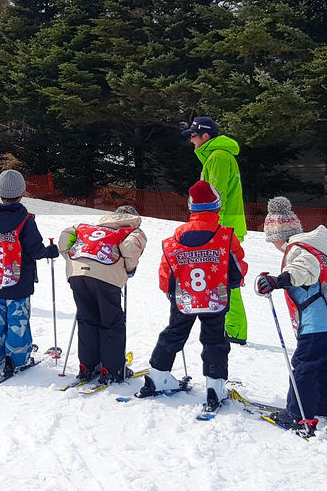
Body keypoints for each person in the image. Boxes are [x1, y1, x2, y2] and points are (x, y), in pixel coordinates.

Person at [256, 196, 327, 434]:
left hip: (320, 322)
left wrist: (278, 280)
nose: (273, 244)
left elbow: (304, 269)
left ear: (279, 236)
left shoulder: (298, 248)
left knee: (304, 366)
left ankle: (298, 415)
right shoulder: (321, 247)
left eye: (272, 239)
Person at [140, 181, 247, 411]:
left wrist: (169, 291)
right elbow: (237, 267)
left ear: (191, 208)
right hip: (215, 296)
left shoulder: (175, 237)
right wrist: (233, 284)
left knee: (173, 333)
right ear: (217, 207)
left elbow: (166, 269)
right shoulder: (225, 235)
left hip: (184, 296)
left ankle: (158, 376)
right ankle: (214, 385)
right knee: (214, 339)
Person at [0, 169, 59, 377]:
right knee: (17, 318)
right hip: (19, 280)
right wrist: (51, 251)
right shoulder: (25, 220)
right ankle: (17, 358)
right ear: (21, 193)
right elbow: (36, 250)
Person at [58, 204, 148, 384]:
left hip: (77, 274)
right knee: (112, 321)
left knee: (86, 319)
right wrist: (129, 269)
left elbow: (66, 234)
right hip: (106, 277)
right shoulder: (133, 230)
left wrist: (69, 256)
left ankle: (88, 365)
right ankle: (113, 369)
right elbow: (130, 248)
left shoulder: (89, 227)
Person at [181, 116, 249, 345]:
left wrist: (212, 229)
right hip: (224, 225)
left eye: (193, 135)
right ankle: (231, 327)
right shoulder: (216, 155)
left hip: (222, 227)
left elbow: (217, 195)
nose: (191, 141)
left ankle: (234, 330)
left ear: (205, 136)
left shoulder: (218, 156)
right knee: (224, 276)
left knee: (228, 278)